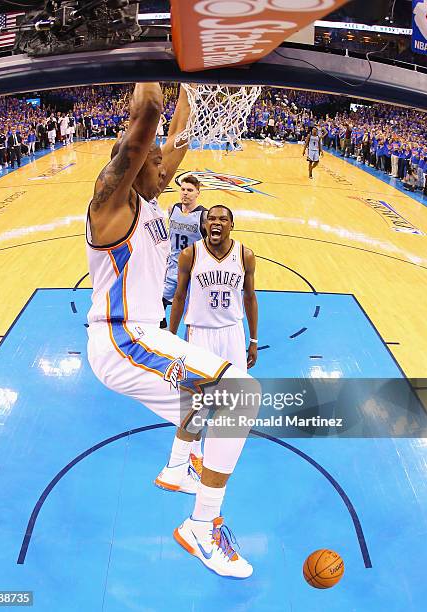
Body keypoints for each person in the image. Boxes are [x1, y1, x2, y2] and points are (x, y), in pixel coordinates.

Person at [86, 83, 258, 578]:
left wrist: (188, 84)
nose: (161, 164)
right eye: (148, 158)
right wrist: (150, 64)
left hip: (146, 335)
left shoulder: (153, 203)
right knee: (238, 396)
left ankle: (178, 467)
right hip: (121, 338)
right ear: (129, 165)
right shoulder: (109, 206)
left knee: (218, 406)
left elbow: (175, 134)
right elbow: (147, 118)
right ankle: (201, 527)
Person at [169, 204, 258, 373]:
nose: (216, 222)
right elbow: (179, 297)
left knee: (234, 392)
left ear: (232, 225)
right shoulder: (190, 254)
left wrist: (253, 340)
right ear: (205, 225)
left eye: (223, 219)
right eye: (211, 219)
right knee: (199, 393)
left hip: (232, 331)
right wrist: (171, 338)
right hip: (199, 332)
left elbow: (250, 297)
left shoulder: (245, 255)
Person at [162, 174, 206, 326]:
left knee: (191, 310)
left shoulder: (203, 216)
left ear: (197, 193)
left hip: (192, 269)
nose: (185, 193)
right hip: (172, 266)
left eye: (190, 190)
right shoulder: (172, 209)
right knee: (159, 303)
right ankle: (161, 333)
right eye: (182, 189)